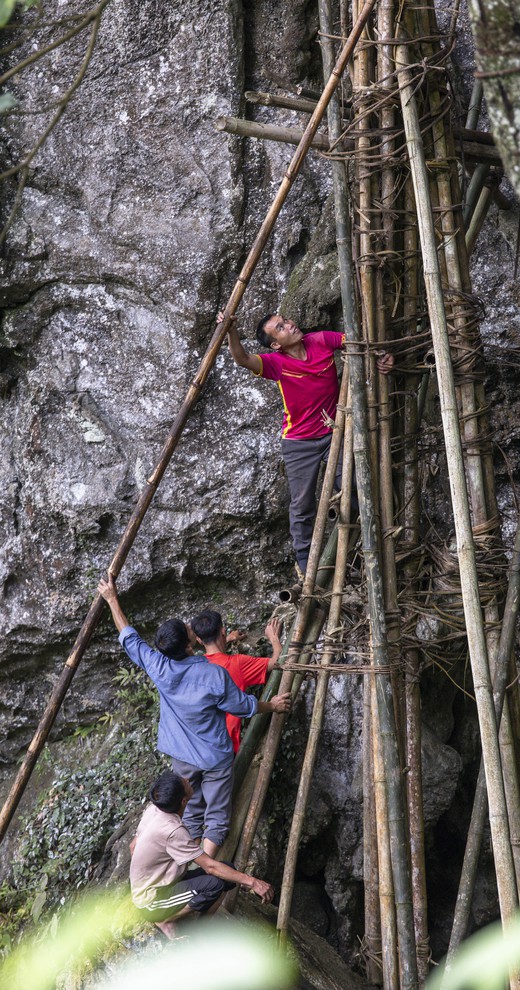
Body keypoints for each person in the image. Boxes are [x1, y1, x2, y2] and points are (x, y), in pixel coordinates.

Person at [98, 572, 291, 858]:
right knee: (217, 816)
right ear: (191, 645)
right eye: (189, 631)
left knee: (190, 807)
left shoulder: (158, 666)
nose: (192, 629)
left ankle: (184, 861)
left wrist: (112, 600)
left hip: (182, 756)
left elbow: (128, 637)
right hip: (214, 757)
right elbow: (244, 706)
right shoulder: (214, 674)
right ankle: (207, 868)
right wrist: (272, 706)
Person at [221, 312, 394, 576]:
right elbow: (242, 359)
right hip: (299, 442)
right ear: (276, 344)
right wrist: (231, 331)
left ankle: (366, 544)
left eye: (286, 321)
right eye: (281, 327)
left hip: (334, 433)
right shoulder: (275, 363)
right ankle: (305, 564)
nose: (290, 325)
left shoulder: (322, 340)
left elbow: (359, 344)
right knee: (302, 504)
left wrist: (381, 355)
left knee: (352, 486)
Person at [130, 770, 274, 938]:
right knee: (214, 885)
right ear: (184, 801)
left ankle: (200, 928)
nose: (186, 778)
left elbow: (134, 846)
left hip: (167, 883)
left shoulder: (155, 809)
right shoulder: (172, 830)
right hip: (152, 901)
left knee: (227, 871)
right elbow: (210, 866)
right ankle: (166, 919)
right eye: (185, 783)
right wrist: (253, 882)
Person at [190, 610, 283, 754]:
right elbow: (278, 662)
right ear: (222, 630)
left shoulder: (194, 666)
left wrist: (226, 639)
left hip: (199, 745)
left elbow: (213, 655)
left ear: (199, 640)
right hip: (227, 746)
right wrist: (274, 637)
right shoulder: (237, 664)